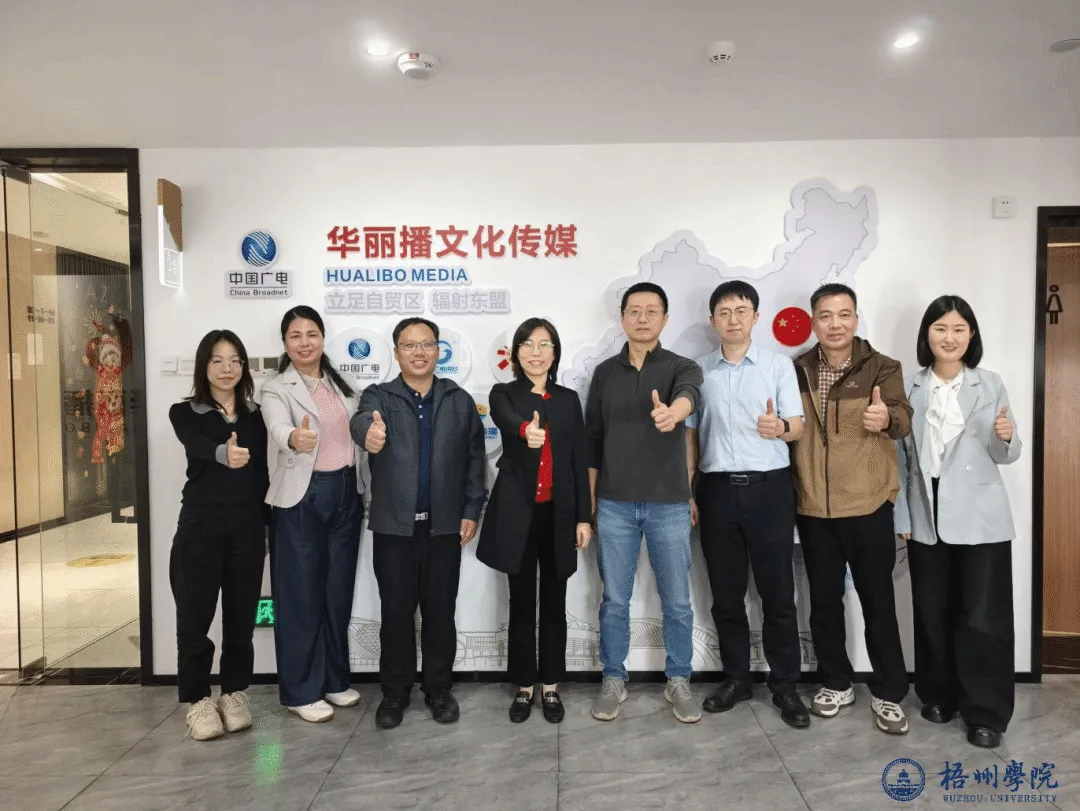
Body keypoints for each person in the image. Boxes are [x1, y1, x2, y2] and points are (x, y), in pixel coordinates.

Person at [894, 295, 1020, 749]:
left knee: (983, 615)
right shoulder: (908, 386)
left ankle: (985, 713)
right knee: (931, 611)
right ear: (927, 335)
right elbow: (899, 459)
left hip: (980, 513)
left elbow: (1006, 453)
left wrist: (1006, 437)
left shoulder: (990, 383)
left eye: (959, 329)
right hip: (925, 507)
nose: (949, 337)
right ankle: (938, 694)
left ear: (971, 335)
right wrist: (902, 514)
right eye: (940, 328)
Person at [789, 283, 914, 735]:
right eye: (825, 316)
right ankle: (835, 682)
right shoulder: (797, 369)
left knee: (879, 603)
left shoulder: (882, 366)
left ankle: (889, 692)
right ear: (813, 322)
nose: (835, 324)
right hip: (814, 508)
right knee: (823, 604)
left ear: (856, 319)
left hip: (868, 505)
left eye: (844, 315)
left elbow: (902, 416)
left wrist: (887, 419)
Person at [351, 317, 486, 730]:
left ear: (438, 350)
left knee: (440, 613)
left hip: (443, 527)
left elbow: (475, 460)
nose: (419, 352)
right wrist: (369, 435)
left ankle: (438, 689)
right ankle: (394, 692)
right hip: (394, 528)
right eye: (409, 345)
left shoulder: (458, 399)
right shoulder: (379, 395)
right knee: (395, 613)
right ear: (396, 352)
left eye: (427, 344)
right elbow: (361, 422)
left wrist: (471, 510)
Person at [686, 281, 810, 728]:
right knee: (726, 594)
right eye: (724, 312)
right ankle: (736, 679)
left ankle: (785, 685)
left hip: (769, 490)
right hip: (716, 490)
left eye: (741, 311)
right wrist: (688, 489)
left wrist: (780, 428)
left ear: (756, 317)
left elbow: (797, 425)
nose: (733, 319)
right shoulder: (699, 371)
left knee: (777, 594)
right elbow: (691, 434)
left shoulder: (778, 366)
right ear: (712, 320)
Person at [586, 281, 704, 723]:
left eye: (651, 311)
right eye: (634, 310)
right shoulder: (604, 373)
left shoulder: (681, 366)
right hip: (614, 504)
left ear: (665, 319)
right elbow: (592, 440)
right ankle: (613, 678)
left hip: (668, 504)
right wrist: (591, 504)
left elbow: (689, 394)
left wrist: (674, 412)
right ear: (622, 318)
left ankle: (679, 680)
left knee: (677, 601)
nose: (642, 318)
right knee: (615, 600)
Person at [475, 317, 592, 724]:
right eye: (527, 344)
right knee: (521, 602)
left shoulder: (568, 399)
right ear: (515, 353)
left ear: (554, 353)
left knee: (555, 603)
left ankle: (552, 686)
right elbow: (506, 419)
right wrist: (527, 430)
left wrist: (583, 518)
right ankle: (525, 686)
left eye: (544, 344)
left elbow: (577, 461)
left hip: (558, 515)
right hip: (518, 516)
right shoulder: (503, 393)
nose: (535, 352)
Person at [261, 306, 365, 723]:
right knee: (299, 596)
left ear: (323, 338)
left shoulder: (343, 384)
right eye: (295, 336)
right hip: (301, 498)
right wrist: (294, 438)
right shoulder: (275, 388)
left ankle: (334, 680)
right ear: (285, 343)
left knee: (336, 592)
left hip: (346, 493)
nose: (305, 343)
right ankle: (300, 690)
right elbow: (276, 427)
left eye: (312, 334)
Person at [168, 329, 268, 741]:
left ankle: (233, 693)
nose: (227, 368)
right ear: (203, 366)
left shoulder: (257, 415)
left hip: (247, 528)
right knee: (194, 619)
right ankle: (197, 700)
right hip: (200, 526)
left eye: (234, 360)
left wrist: (266, 526)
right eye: (217, 360)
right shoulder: (184, 412)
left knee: (241, 619)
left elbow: (263, 474)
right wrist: (222, 453)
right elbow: (195, 444)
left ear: (243, 366)